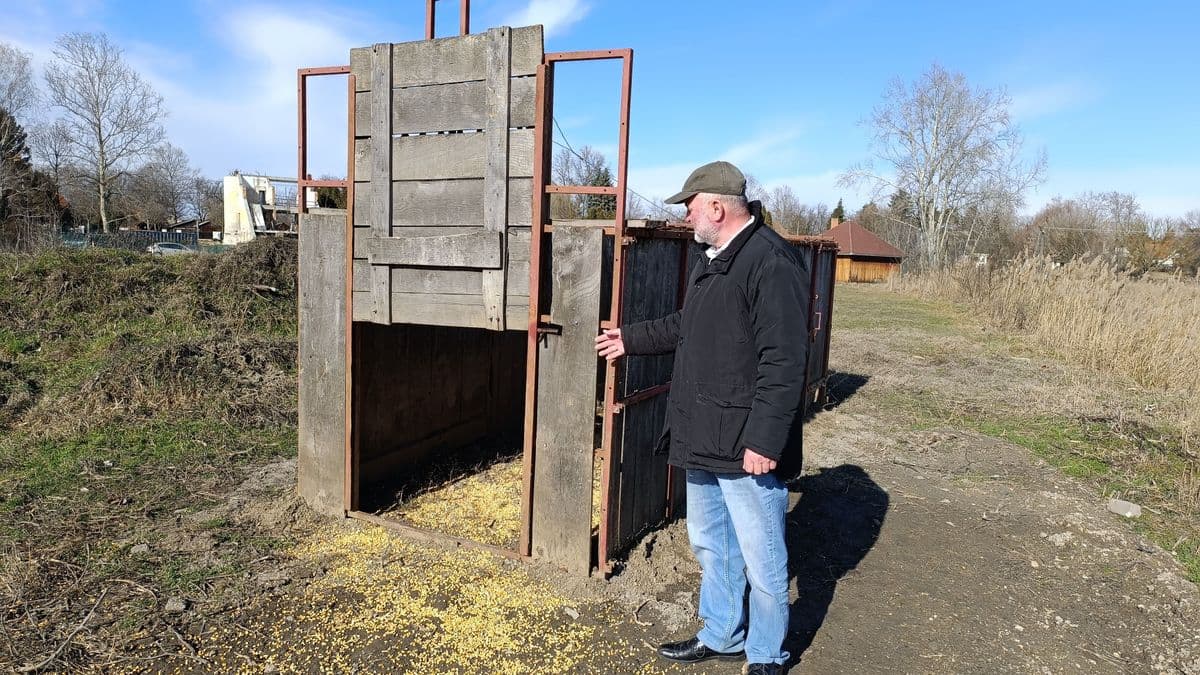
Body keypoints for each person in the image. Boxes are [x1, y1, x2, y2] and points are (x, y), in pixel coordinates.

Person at [594, 160, 810, 674]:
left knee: (763, 558)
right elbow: (685, 326)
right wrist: (631, 339)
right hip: (702, 433)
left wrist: (765, 441)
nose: (686, 216)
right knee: (714, 545)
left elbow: (784, 361)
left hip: (745, 443)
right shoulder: (715, 258)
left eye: (690, 207)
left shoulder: (770, 262)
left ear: (717, 206)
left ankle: (766, 655)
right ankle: (722, 633)